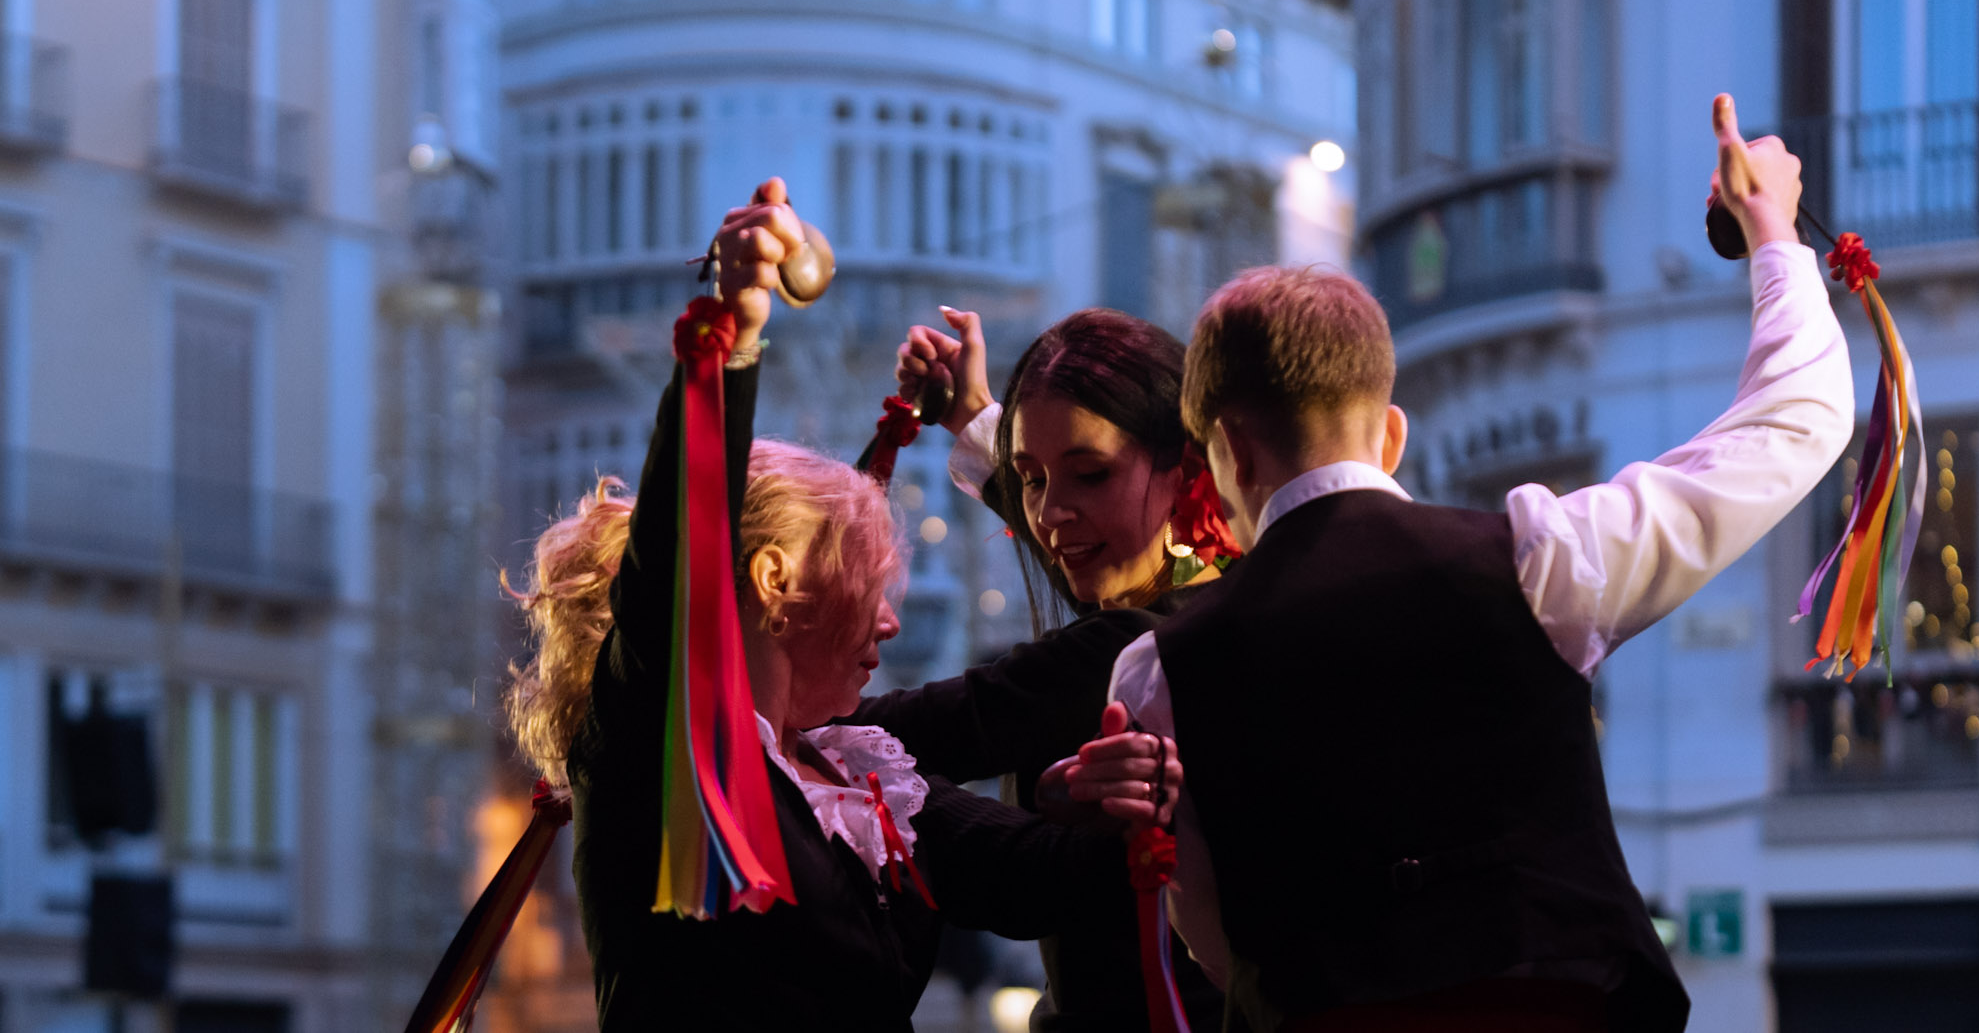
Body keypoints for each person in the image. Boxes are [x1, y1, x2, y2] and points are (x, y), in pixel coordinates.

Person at [1103, 96, 1856, 1032]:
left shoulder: (1163, 670)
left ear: (1228, 450)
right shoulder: (1539, 561)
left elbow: (1212, 930)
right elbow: (1795, 421)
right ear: (1389, 433)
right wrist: (1774, 231)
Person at [503, 180, 1179, 1030]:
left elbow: (1046, 875)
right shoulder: (659, 740)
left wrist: (1114, 798)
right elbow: (681, 548)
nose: (891, 621)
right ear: (775, 580)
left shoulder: (859, 769)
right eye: (871, 583)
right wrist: (732, 336)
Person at [848, 306, 1237, 1032]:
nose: (1051, 514)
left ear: (1185, 465)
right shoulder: (1208, 595)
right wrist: (973, 415)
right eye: (1029, 478)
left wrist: (737, 696)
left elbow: (916, 730)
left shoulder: (1135, 642)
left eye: (1088, 474)